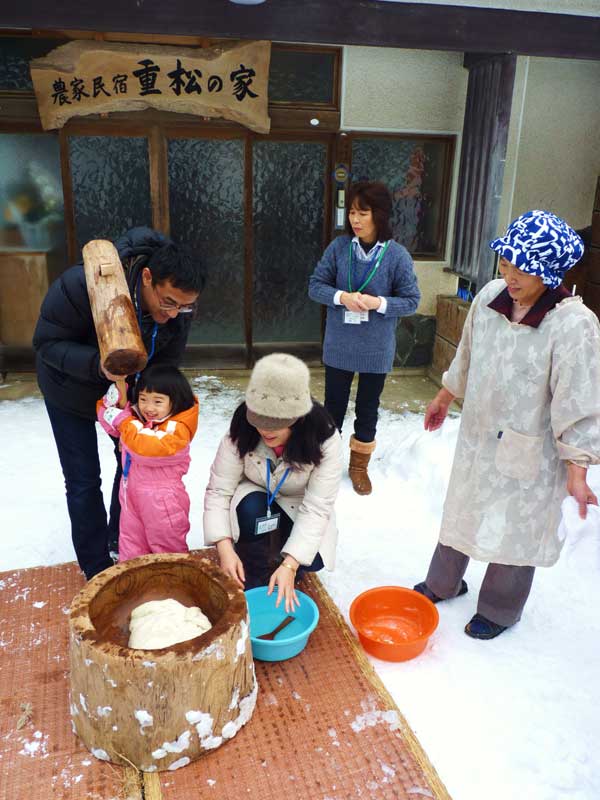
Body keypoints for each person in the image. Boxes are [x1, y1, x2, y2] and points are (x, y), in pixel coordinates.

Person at [414, 209, 600, 640]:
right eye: (506, 261)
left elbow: (580, 401)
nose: (510, 274)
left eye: (524, 268)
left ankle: (499, 609)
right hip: (480, 434)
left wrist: (578, 468)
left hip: (532, 448)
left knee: (518, 528)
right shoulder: (491, 298)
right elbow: (467, 353)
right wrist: (446, 394)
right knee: (463, 507)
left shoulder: (574, 325)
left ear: (550, 273)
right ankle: (444, 582)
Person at [33, 227, 206, 580]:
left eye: (185, 306)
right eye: (168, 302)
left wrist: (155, 401)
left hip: (128, 396)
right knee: (82, 479)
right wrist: (99, 366)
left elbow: (167, 361)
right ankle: (97, 568)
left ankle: (119, 540)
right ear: (147, 278)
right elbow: (45, 343)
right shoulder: (80, 286)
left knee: (131, 464)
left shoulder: (179, 309)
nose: (174, 313)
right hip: (68, 389)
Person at [203, 353, 343, 613]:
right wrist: (224, 548)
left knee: (311, 560)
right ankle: (254, 570)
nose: (265, 431)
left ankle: (282, 564)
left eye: (276, 424)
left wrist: (291, 564)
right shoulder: (240, 429)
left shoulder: (324, 438)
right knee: (251, 509)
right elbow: (219, 491)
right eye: (259, 422)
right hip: (256, 495)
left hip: (298, 503)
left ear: (299, 418)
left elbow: (317, 506)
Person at [308, 181, 420, 495]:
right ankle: (325, 464)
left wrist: (378, 303)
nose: (355, 219)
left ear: (379, 215)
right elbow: (315, 286)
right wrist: (341, 296)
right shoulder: (339, 248)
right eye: (353, 212)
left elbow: (411, 300)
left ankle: (359, 466)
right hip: (340, 343)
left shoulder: (396, 255)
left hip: (376, 346)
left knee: (368, 408)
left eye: (364, 212)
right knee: (332, 408)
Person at [96, 364, 199, 561]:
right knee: (131, 548)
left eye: (158, 401)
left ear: (175, 402)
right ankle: (137, 586)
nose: (149, 407)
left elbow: (146, 447)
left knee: (167, 552)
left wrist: (125, 421)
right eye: (143, 399)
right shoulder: (138, 421)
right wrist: (111, 403)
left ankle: (172, 587)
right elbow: (113, 425)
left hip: (162, 503)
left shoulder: (177, 430)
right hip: (130, 496)